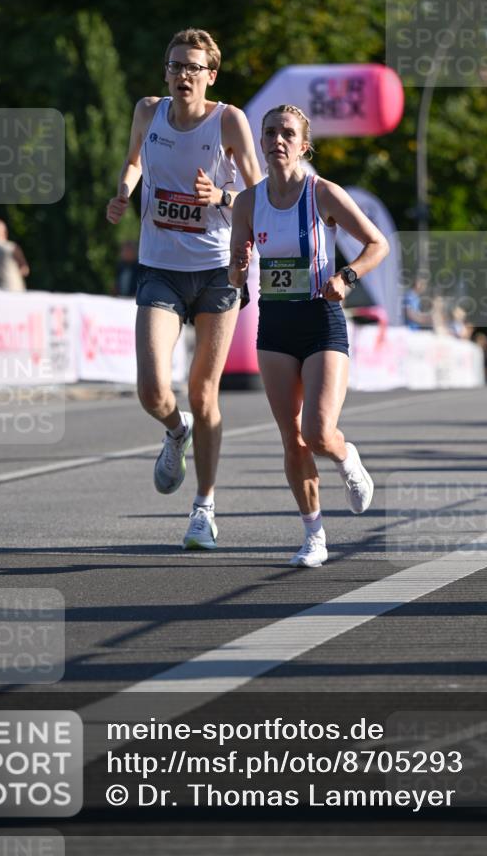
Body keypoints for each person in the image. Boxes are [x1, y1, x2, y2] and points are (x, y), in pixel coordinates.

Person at [106, 28, 262, 550]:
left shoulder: (229, 121)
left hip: (217, 270)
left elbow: (258, 194)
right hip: (160, 267)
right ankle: (177, 431)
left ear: (210, 75)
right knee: (153, 390)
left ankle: (204, 508)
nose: (182, 76)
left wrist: (220, 196)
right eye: (175, 66)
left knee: (203, 391)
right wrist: (123, 193)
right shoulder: (148, 112)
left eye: (193, 67)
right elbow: (133, 162)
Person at [229, 105, 390, 568]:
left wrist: (348, 276)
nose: (277, 140)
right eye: (270, 133)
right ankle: (314, 535)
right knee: (292, 440)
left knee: (317, 433)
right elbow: (236, 275)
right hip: (275, 325)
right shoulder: (247, 202)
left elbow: (377, 244)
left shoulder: (323, 193)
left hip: (321, 320)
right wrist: (239, 267)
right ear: (261, 142)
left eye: (287, 134)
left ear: (304, 145)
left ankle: (346, 456)